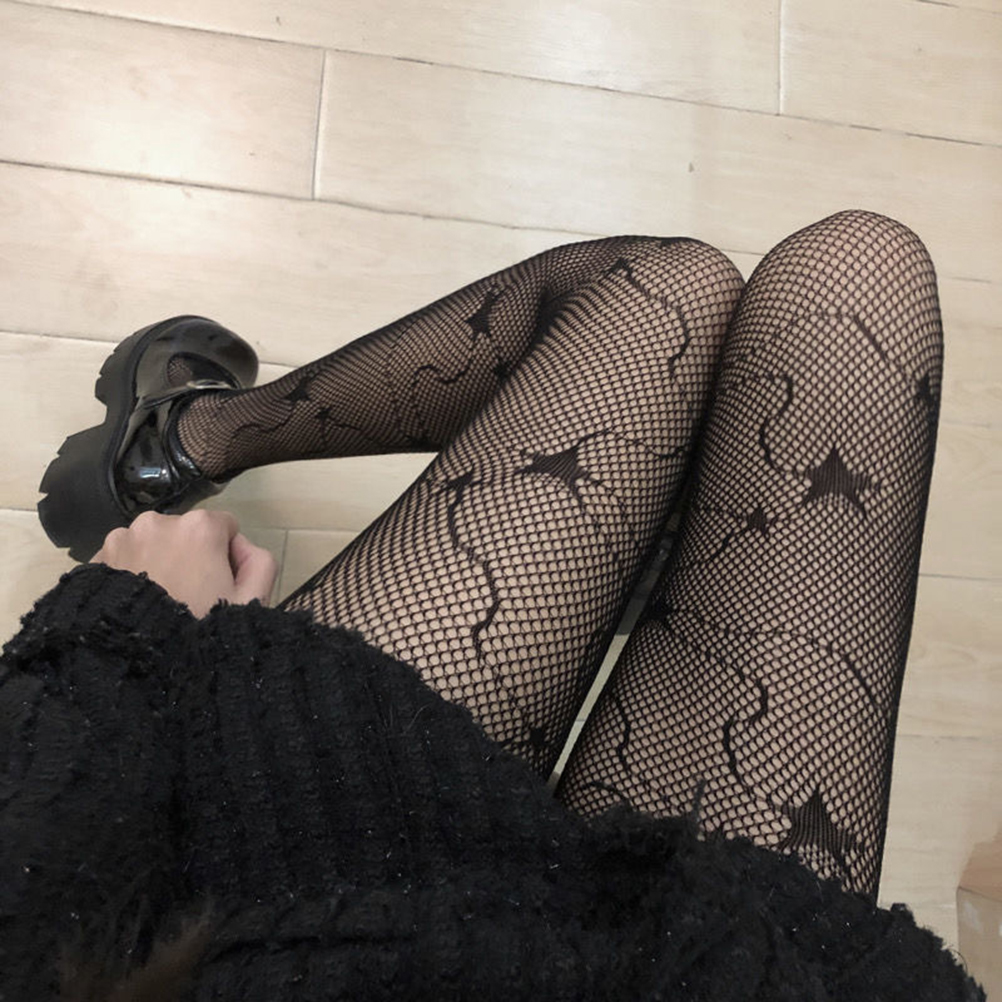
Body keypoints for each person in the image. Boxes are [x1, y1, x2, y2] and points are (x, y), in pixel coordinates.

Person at [1, 211, 986, 1000]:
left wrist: (124, 630)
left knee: (660, 290)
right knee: (861, 274)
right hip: (713, 958)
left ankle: (181, 440)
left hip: (314, 900)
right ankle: (656, 519)